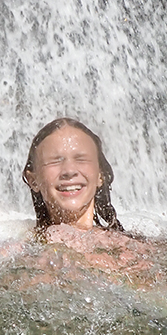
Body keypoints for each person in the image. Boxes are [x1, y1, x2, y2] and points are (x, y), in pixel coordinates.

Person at [21, 117, 150, 276]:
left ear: (100, 175)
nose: (69, 171)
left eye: (81, 159)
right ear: (33, 180)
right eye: (55, 161)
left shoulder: (133, 248)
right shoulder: (20, 246)